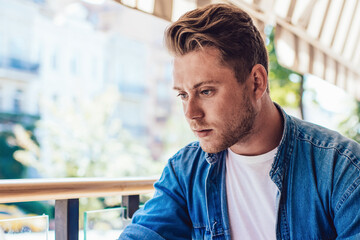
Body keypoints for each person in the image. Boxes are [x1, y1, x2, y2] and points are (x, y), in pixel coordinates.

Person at [119, 3, 360, 240]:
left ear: (256, 82)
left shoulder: (342, 169)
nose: (190, 113)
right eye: (183, 95)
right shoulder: (185, 171)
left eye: (206, 91)